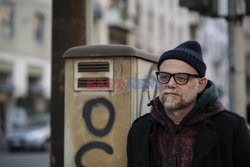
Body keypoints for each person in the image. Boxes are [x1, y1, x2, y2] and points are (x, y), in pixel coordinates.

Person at [127, 41, 250, 167]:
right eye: (164, 77)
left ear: (200, 84)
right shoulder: (140, 129)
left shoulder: (232, 128)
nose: (170, 84)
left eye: (181, 78)